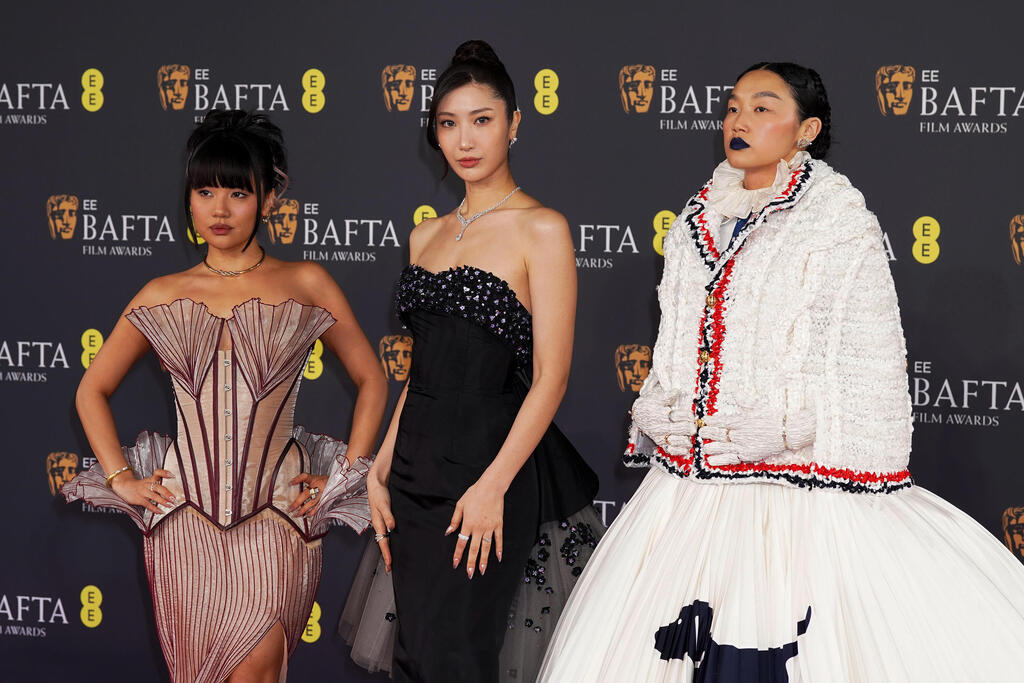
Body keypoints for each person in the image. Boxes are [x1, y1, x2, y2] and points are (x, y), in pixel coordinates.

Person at [538, 62, 1024, 682]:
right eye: (734, 106)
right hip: (694, 488)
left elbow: (865, 361)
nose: (739, 120)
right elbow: (677, 341)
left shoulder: (839, 221)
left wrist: (787, 428)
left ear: (806, 128)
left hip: (801, 491)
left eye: (763, 107)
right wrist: (664, 408)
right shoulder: (696, 217)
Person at [62, 110, 387, 683]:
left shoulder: (307, 282)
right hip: (183, 525)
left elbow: (372, 376)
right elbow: (92, 389)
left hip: (278, 522)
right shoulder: (162, 294)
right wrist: (121, 480)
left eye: (238, 193)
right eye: (205, 190)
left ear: (267, 200)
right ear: (188, 199)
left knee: (258, 673)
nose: (219, 208)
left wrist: (348, 472)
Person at [339, 40, 603, 683]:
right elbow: (421, 369)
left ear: (514, 123)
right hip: (413, 470)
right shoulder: (423, 235)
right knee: (416, 658)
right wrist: (380, 465)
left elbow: (552, 377)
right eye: (449, 123)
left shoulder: (542, 228)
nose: (465, 139)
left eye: (482, 120)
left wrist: (493, 486)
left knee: (462, 659)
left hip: (490, 468)